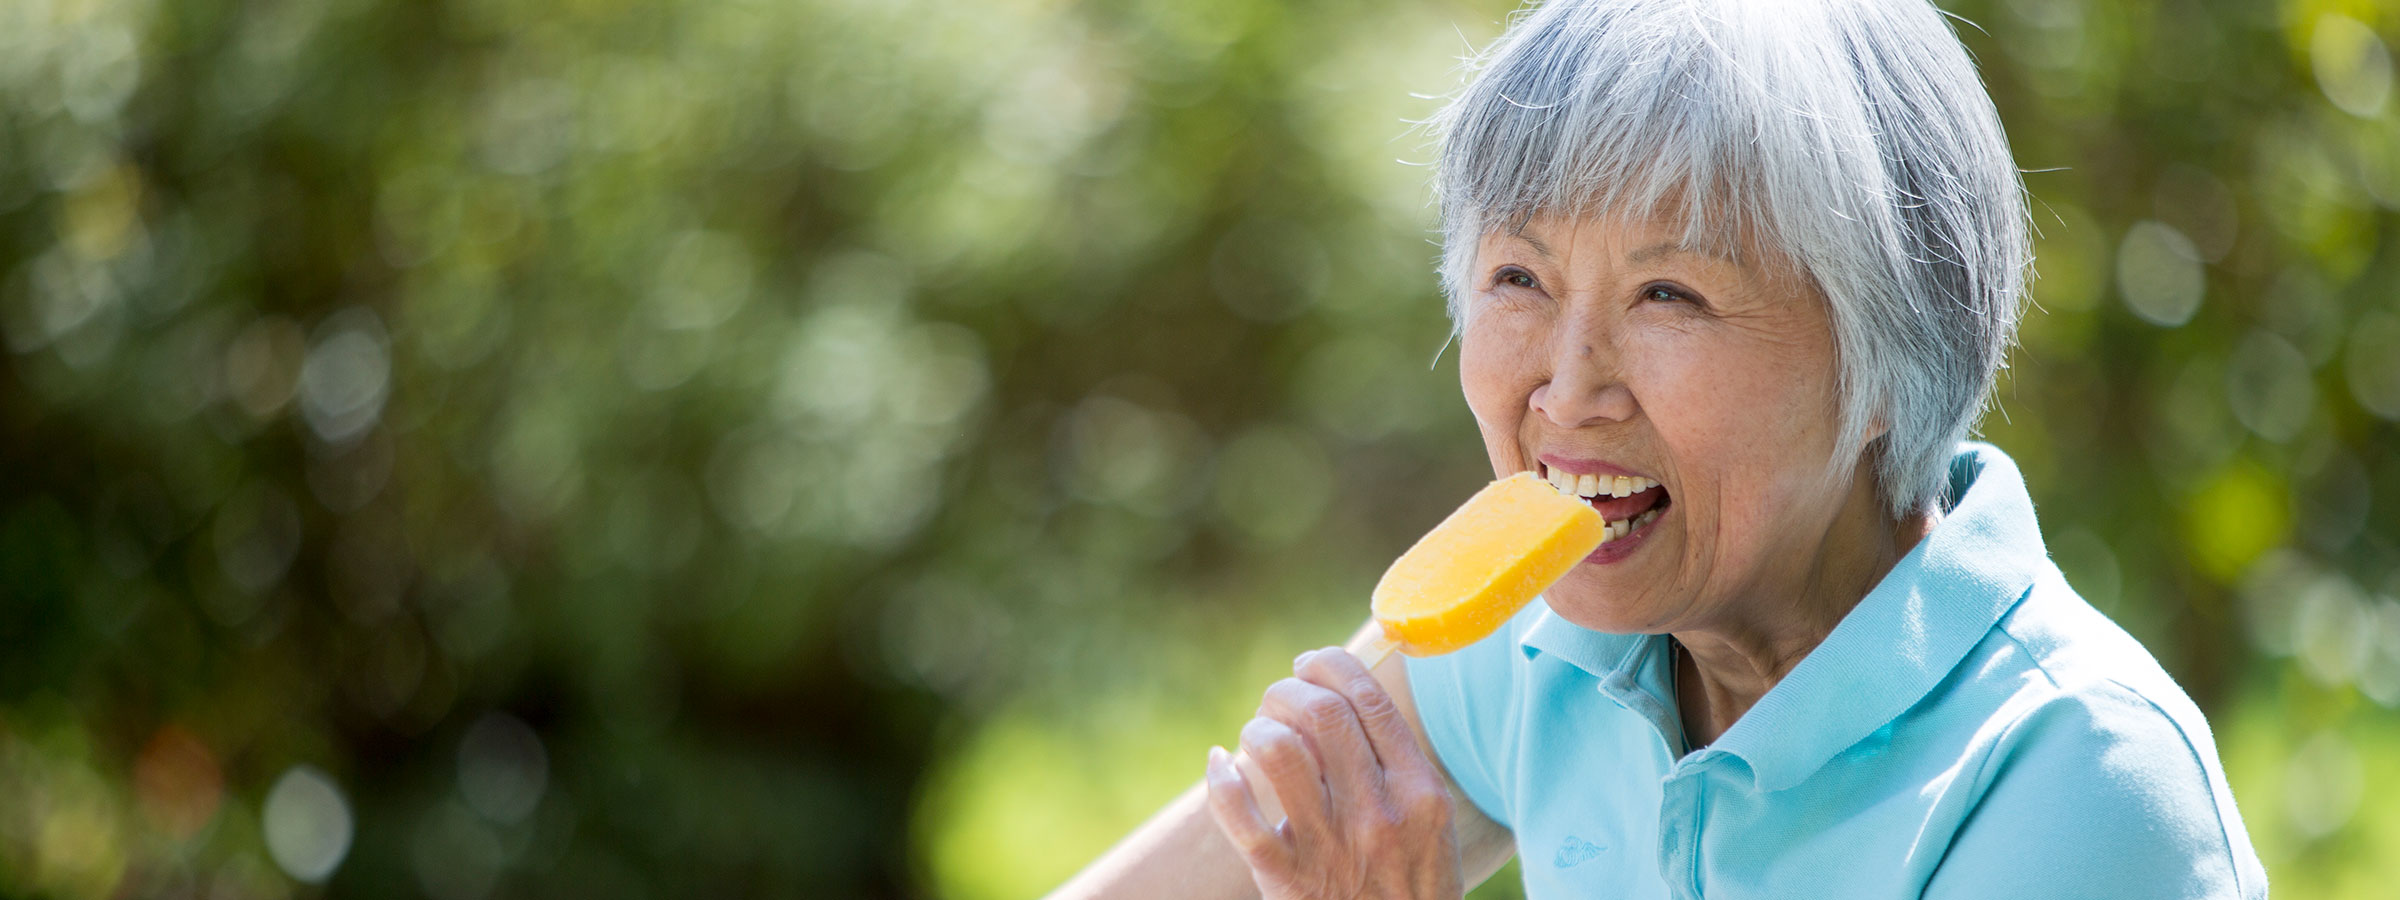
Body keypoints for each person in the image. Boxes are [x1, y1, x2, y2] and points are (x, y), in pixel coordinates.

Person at [1051, 0, 2269, 896]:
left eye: (1668, 295)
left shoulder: (2078, 786)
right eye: (1517, 276)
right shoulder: (1541, 646)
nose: (1566, 388)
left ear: (1890, 350)